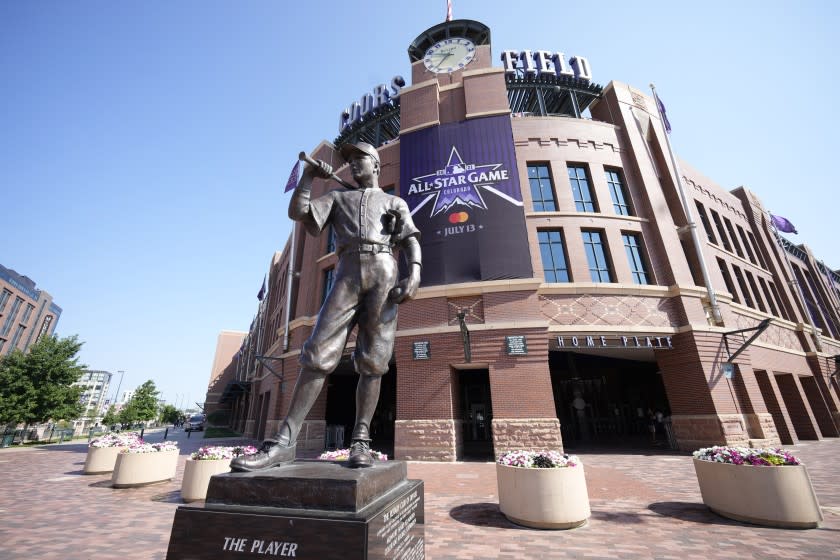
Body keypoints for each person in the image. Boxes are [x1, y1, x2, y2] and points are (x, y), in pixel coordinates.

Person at [231, 141, 421, 471]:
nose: (353, 165)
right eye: (349, 161)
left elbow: (410, 240)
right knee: (317, 352)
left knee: (374, 360)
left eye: (360, 159)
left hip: (384, 270)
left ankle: (361, 441)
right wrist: (307, 177)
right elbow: (299, 213)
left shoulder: (394, 202)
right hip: (347, 270)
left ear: (376, 165)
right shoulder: (337, 197)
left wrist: (414, 273)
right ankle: (284, 442)